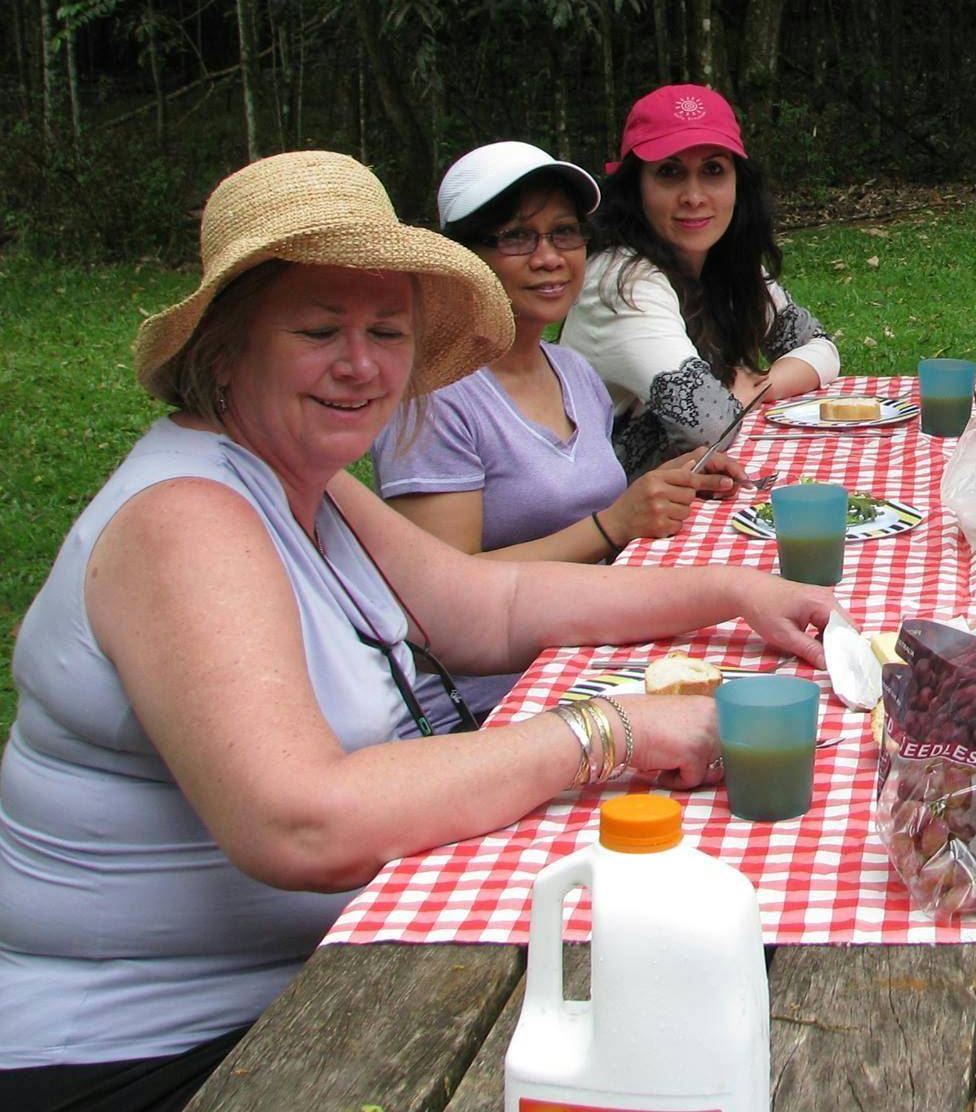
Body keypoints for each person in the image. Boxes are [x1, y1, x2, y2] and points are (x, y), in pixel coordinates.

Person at [0, 151, 832, 1112]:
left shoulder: (305, 488)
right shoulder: (186, 519)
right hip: (165, 1049)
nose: (361, 365)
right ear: (225, 349)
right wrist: (616, 733)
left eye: (387, 331)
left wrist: (735, 589)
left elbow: (495, 608)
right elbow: (299, 821)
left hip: (336, 962)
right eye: (319, 331)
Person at [372, 141, 752, 723]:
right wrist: (611, 526)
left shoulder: (572, 372)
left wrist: (667, 482)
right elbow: (437, 595)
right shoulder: (434, 396)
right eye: (517, 237)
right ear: (462, 257)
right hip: (487, 704)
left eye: (565, 233)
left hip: (590, 656)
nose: (549, 257)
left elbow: (583, 501)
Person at [562, 84, 839, 479]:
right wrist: (734, 387)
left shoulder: (723, 266)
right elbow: (708, 426)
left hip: (685, 495)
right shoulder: (620, 283)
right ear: (636, 188)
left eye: (712, 170)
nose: (694, 196)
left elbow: (820, 346)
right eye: (670, 173)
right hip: (611, 522)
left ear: (737, 185)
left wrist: (754, 385)